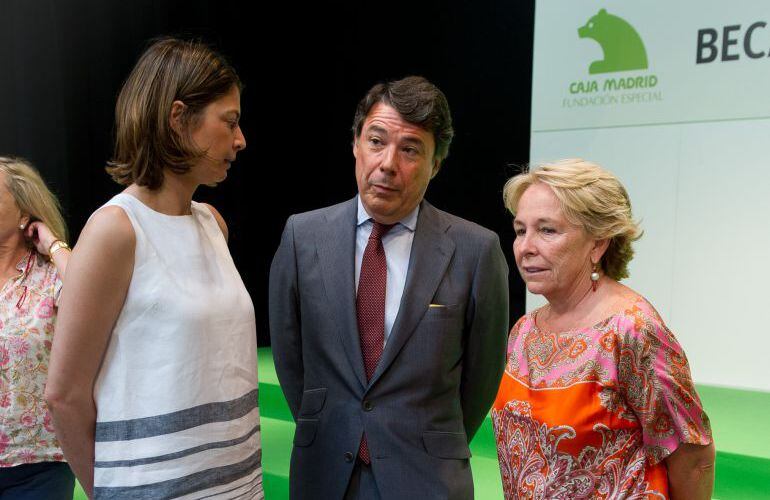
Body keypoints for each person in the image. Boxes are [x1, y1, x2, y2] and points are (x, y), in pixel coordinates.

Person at [269, 75, 509, 499]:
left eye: (411, 149)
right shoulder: (301, 236)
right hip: (324, 472)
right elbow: (292, 361)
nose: (387, 163)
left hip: (427, 478)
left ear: (436, 164)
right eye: (376, 141)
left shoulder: (476, 250)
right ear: (356, 145)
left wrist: (426, 441)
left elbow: (482, 377)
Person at [45, 38, 263, 499]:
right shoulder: (116, 230)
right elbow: (64, 395)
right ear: (179, 119)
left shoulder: (212, 224)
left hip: (239, 485)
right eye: (230, 122)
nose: (240, 140)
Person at [493, 159, 715, 499]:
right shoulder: (524, 331)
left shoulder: (633, 331)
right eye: (521, 230)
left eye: (548, 230)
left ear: (598, 243)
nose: (526, 247)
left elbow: (694, 455)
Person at [0, 157, 74, 499]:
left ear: (24, 214)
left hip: (38, 465)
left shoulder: (49, 275)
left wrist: (54, 244)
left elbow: (92, 293)